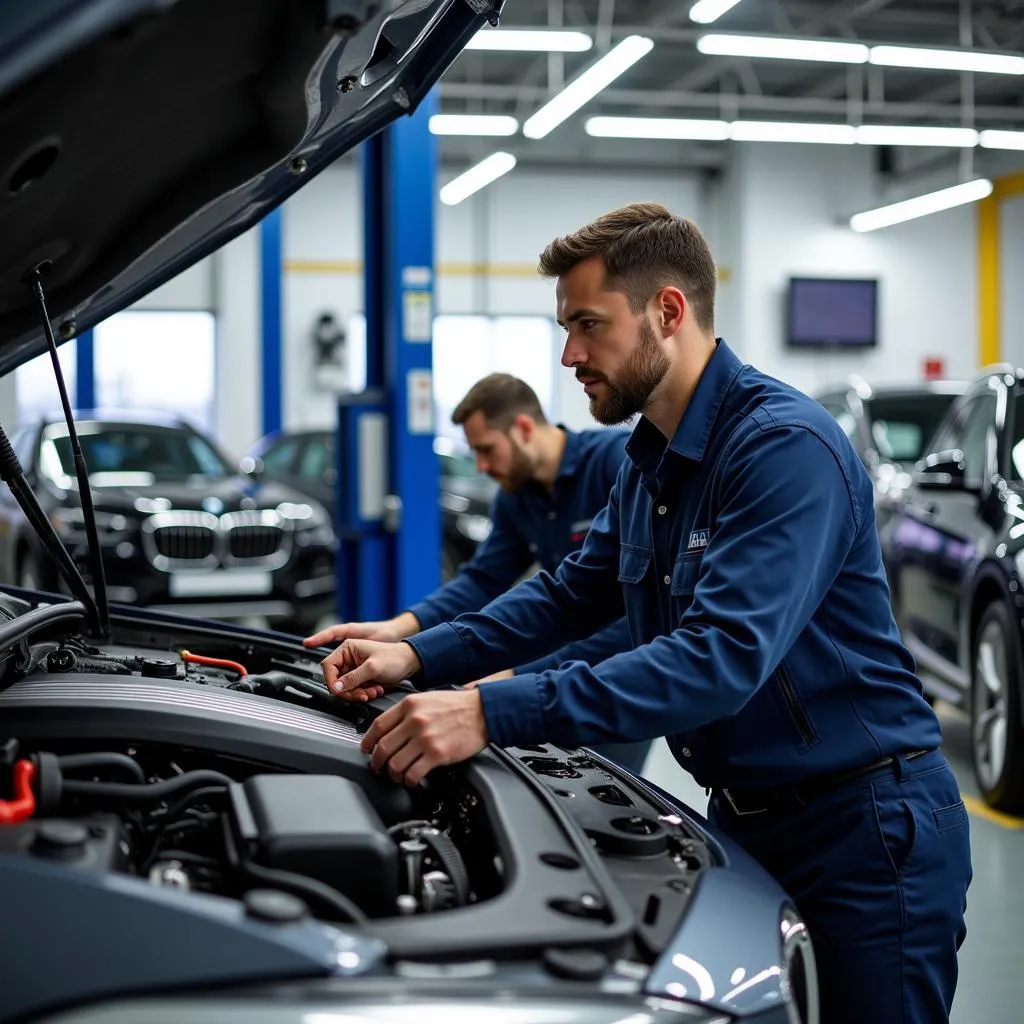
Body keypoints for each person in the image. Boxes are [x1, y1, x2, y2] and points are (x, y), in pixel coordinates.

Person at [317, 203, 973, 1023]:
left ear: (668, 310)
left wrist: (489, 709)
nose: (570, 355)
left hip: (866, 833)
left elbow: (717, 659)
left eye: (589, 325)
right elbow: (564, 593)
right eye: (566, 327)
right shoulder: (649, 464)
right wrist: (415, 656)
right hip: (746, 818)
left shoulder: (780, 449)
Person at [305, 373, 651, 775]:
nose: (482, 467)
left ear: (523, 428)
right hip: (557, 676)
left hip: (619, 680)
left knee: (606, 796)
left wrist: (514, 677)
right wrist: (397, 631)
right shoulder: (515, 497)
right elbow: (482, 580)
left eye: (486, 450)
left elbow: (631, 619)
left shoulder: (617, 463)